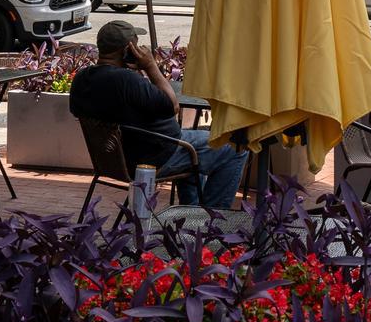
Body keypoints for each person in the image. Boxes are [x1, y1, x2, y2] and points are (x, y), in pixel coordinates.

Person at [68, 20, 246, 210]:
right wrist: (150, 66)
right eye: (135, 44)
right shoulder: (127, 81)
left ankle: (192, 214)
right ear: (127, 50)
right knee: (234, 146)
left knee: (194, 152)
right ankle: (212, 220)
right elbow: (173, 105)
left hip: (119, 159)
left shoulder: (82, 78)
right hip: (156, 157)